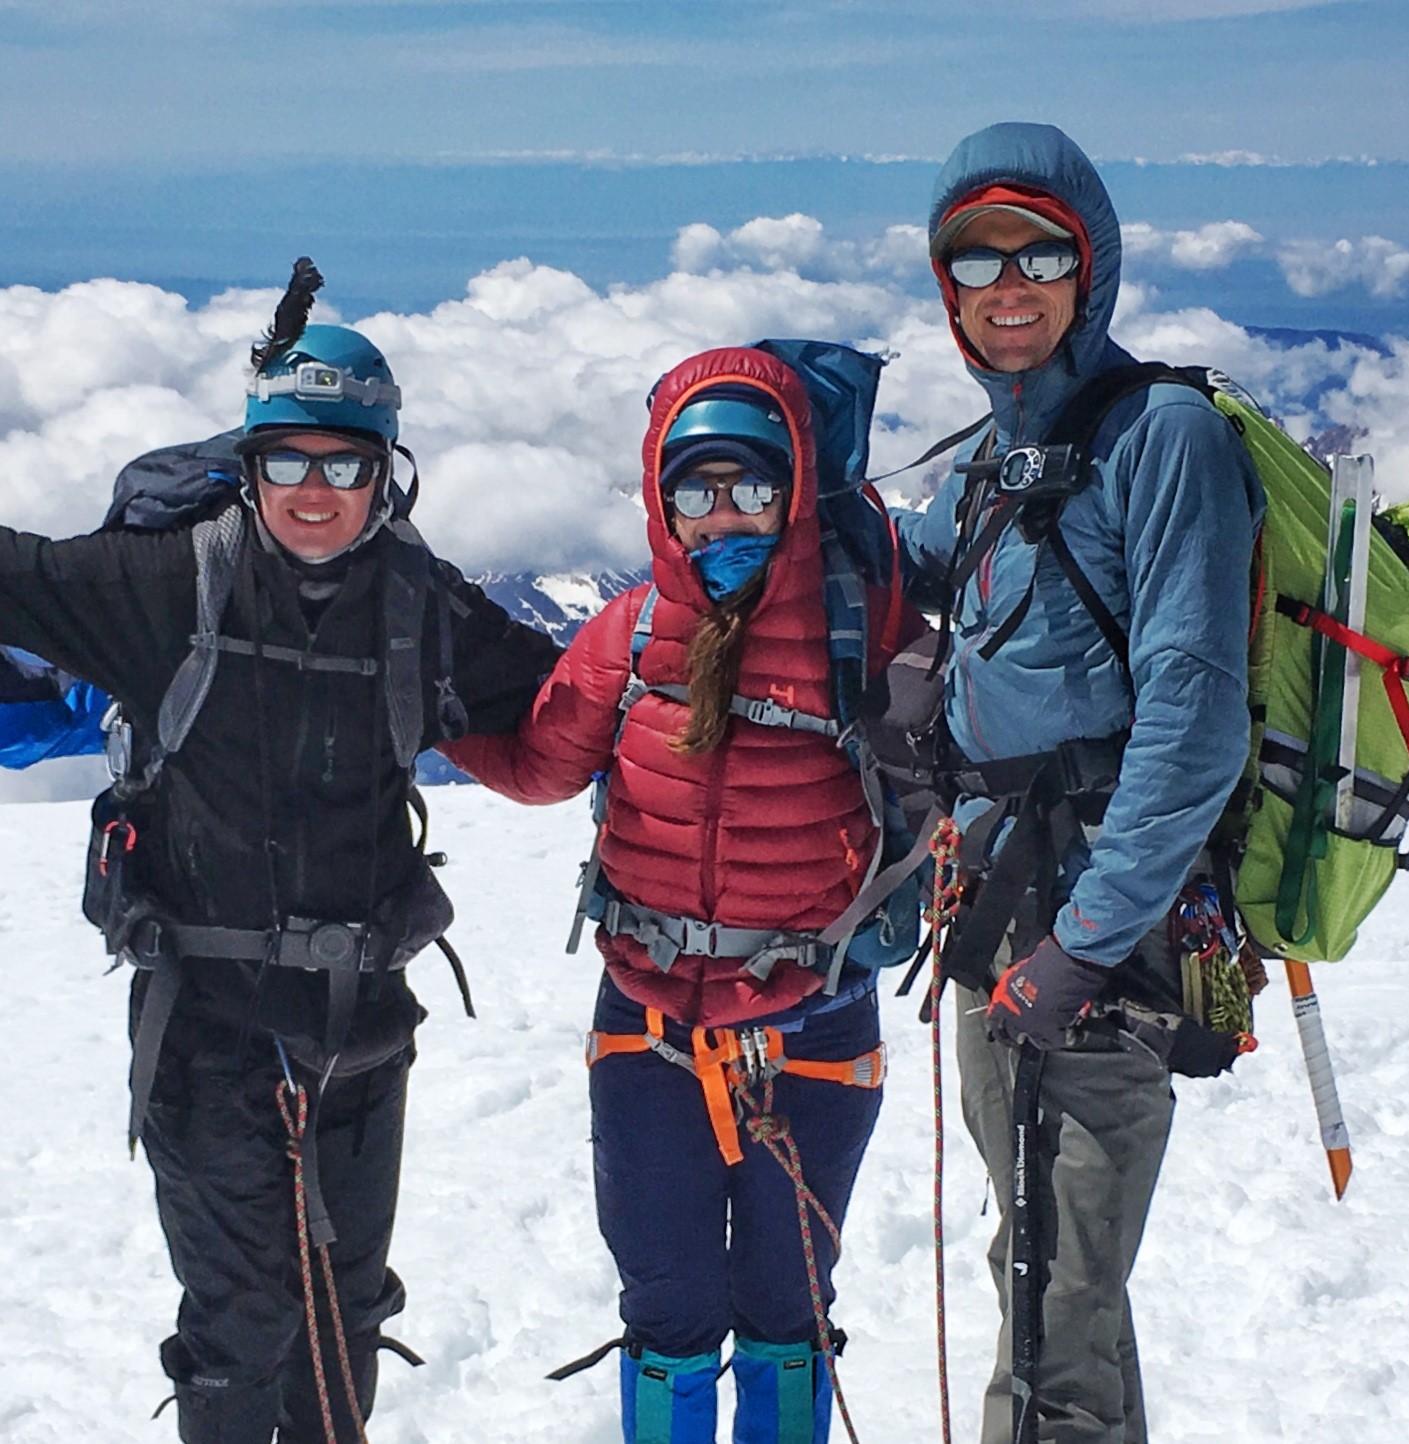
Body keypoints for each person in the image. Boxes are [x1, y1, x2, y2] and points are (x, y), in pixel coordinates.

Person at [0, 273, 558, 1442]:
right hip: (206, 1035)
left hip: (363, 1034)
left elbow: (584, 697)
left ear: (385, 472)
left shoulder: (424, 609)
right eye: (288, 461)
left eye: (343, 463)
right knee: (242, 1325)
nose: (315, 491)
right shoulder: (164, 589)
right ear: (249, 467)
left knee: (340, 1320)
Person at [443, 345, 923, 1444]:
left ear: (796, 488)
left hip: (811, 1026)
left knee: (785, 1308)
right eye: (693, 491)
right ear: (660, 504)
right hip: (651, 1028)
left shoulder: (865, 628)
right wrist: (414, 715)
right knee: (667, 1310)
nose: (722, 517)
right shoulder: (631, 637)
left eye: (751, 485)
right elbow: (539, 766)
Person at [891, 122, 1265, 1444]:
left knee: (1054, 1310)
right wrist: (774, 494)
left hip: (1101, 940)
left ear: (1089, 267)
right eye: (974, 258)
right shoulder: (1005, 451)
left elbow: (1194, 716)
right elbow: (930, 568)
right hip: (998, 912)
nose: (1007, 283)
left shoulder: (1160, 437)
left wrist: (1087, 948)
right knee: (1053, 1289)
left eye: (1039, 251)